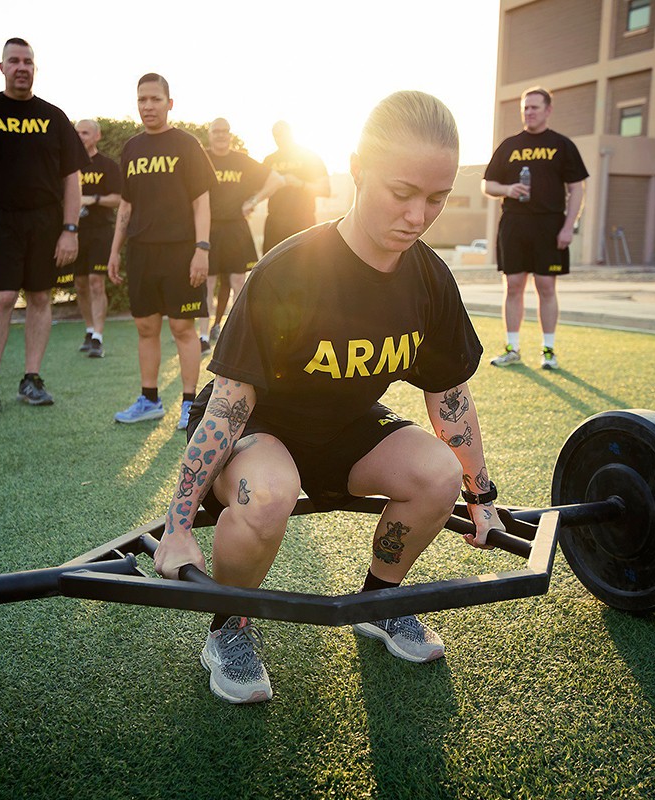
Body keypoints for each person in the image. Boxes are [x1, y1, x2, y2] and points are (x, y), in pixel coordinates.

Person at [154, 91, 504, 704]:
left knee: (437, 475)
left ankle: (380, 599)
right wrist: (178, 525)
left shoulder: (428, 277)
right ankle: (229, 628)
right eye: (402, 192)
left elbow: (450, 396)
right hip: (257, 428)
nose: (418, 216)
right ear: (358, 169)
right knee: (270, 492)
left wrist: (481, 499)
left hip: (344, 428)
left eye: (436, 198)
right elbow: (229, 407)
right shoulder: (291, 271)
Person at [0, 37, 86, 414]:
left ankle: (31, 379)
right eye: (14, 61)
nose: (22, 67)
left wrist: (70, 229)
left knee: (41, 297)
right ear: (2, 68)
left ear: (35, 68)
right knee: (4, 296)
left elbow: (71, 178)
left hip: (46, 220)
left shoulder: (54, 117)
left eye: (28, 61)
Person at [108, 73, 216, 429]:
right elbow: (126, 206)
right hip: (141, 252)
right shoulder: (131, 148)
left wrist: (202, 249)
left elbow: (201, 202)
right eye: (142, 99)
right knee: (145, 327)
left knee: (183, 328)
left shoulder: (187, 144)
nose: (148, 106)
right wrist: (114, 251)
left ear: (169, 103)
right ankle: (150, 399)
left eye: (155, 99)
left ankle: (189, 405)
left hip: (180, 251)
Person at [483, 87, 587, 370]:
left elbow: (577, 189)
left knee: (546, 287)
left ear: (548, 110)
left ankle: (548, 351)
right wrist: (508, 189)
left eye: (534, 107)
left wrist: (568, 227)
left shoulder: (562, 145)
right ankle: (512, 348)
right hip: (514, 224)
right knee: (513, 286)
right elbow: (488, 184)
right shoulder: (509, 145)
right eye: (525, 108)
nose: (529, 112)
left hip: (549, 225)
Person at [198, 117, 283, 352]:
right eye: (216, 131)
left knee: (238, 282)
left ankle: (234, 335)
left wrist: (253, 201)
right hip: (209, 228)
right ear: (210, 134)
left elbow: (276, 180)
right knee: (207, 283)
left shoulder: (241, 160)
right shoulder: (201, 158)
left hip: (237, 228)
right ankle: (203, 337)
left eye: (225, 131)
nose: (221, 135)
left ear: (230, 134)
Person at [60, 119, 122, 360]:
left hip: (100, 231)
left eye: (85, 133)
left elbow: (118, 199)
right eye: (77, 133)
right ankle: (88, 330)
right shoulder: (67, 165)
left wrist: (92, 199)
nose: (80, 137)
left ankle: (98, 336)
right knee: (80, 284)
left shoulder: (107, 165)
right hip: (74, 233)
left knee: (96, 282)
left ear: (97, 136)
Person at [260, 120, 330, 253]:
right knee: (272, 265)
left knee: (305, 265)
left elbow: (325, 190)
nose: (279, 138)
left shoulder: (309, 157)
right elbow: (260, 191)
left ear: (291, 133)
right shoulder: (269, 160)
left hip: (303, 221)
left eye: (283, 134)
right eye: (276, 135)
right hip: (274, 224)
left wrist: (299, 183)